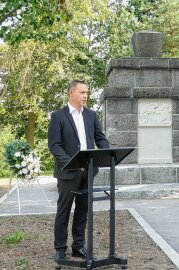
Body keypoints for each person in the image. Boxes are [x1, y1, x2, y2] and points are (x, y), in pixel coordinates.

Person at [48, 80, 110, 261]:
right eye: (82, 92)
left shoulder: (91, 115)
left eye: (87, 93)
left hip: (89, 171)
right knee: (64, 211)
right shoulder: (58, 116)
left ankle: (78, 246)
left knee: (83, 211)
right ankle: (60, 248)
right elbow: (55, 145)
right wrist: (72, 163)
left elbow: (100, 138)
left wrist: (107, 152)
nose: (85, 96)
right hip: (68, 173)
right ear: (71, 93)